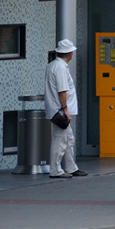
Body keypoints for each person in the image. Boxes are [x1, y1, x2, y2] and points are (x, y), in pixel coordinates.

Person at [44, 39, 87, 178]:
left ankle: (71, 167)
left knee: (68, 139)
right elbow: (62, 91)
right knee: (60, 140)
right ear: (69, 53)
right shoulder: (61, 68)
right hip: (60, 110)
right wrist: (66, 109)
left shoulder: (52, 65)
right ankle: (55, 170)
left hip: (55, 108)